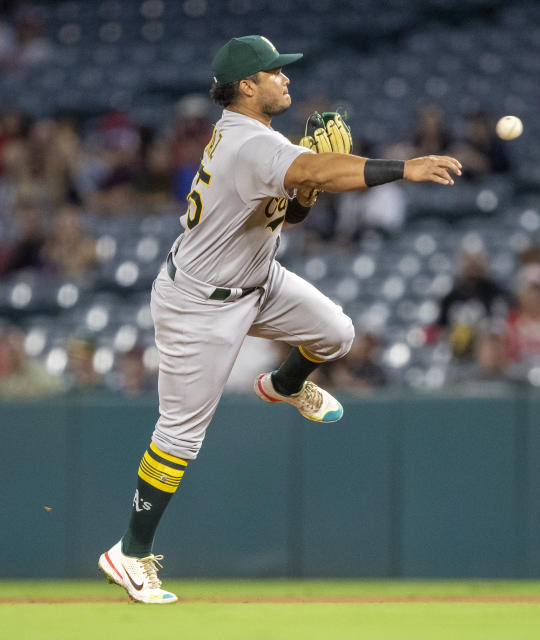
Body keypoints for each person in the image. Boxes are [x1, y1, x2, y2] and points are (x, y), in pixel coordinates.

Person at [97, 35, 462, 604]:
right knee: (180, 436)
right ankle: (131, 552)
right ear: (247, 85)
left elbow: (291, 210)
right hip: (198, 303)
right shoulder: (247, 142)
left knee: (337, 333)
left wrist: (310, 186)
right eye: (275, 72)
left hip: (256, 279)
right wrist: (404, 167)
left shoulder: (255, 138)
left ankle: (284, 385)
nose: (286, 79)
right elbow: (320, 168)